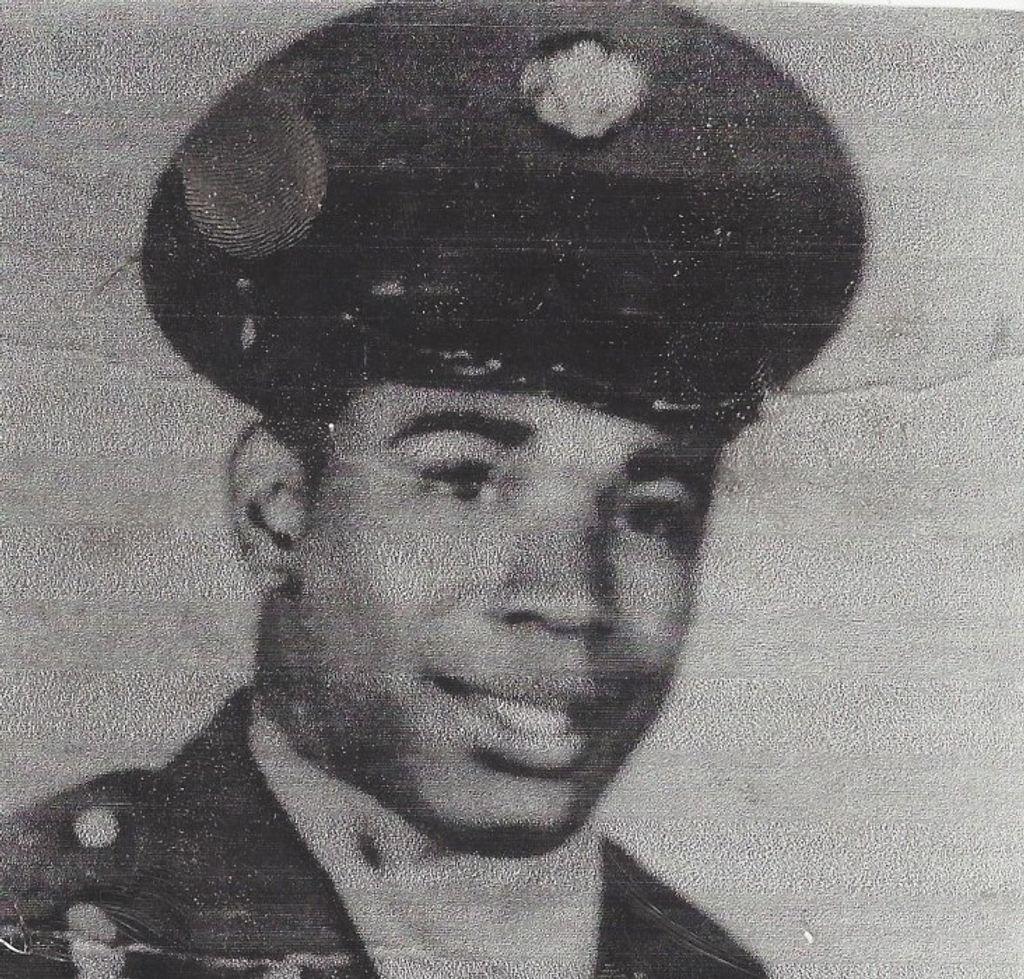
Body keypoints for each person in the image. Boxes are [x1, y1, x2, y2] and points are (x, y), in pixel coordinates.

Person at [0, 1, 865, 976]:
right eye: (463, 478)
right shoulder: (47, 935)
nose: (572, 598)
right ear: (278, 511)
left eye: (651, 512)